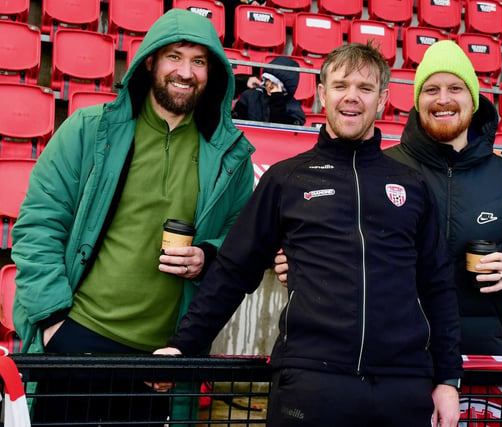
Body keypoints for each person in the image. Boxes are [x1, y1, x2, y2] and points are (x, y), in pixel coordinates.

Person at [155, 42, 463, 427]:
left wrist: (448, 380)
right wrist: (182, 346)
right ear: (322, 94)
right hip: (311, 381)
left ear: (382, 99)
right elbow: (234, 271)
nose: (351, 97)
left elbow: (438, 286)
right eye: (340, 86)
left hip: (401, 385)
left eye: (365, 89)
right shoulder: (286, 179)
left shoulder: (411, 184)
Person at [10, 8, 255, 426]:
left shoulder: (231, 158)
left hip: (159, 363)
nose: (186, 71)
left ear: (212, 73)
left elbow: (241, 242)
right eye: (175, 57)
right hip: (77, 340)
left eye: (199, 61)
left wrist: (206, 256)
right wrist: (54, 323)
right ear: (150, 61)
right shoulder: (89, 129)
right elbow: (38, 226)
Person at [275, 40, 502, 357]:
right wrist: (304, 262)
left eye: (455, 88)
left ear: (474, 99)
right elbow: (344, 245)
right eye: (431, 90)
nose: (443, 99)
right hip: (397, 360)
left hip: (481, 355)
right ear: (417, 101)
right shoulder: (382, 169)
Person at [232, 55, 306, 125]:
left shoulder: (293, 106)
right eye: (267, 80)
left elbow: (286, 132)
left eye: (275, 83)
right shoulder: (250, 96)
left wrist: (277, 99)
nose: (269, 86)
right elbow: (235, 120)